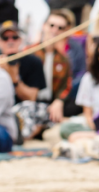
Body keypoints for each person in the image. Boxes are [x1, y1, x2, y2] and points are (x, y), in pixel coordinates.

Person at [14, 10, 73, 140]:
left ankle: (42, 127)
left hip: (50, 104)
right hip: (28, 102)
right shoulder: (29, 52)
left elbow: (66, 86)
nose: (55, 30)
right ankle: (39, 128)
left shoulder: (64, 59)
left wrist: (59, 101)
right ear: (44, 26)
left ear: (64, 31)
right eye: (52, 25)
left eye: (60, 28)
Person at [58, 37, 99, 139]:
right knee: (66, 128)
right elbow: (88, 114)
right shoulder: (89, 79)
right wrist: (95, 127)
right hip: (95, 126)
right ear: (97, 57)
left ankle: (96, 137)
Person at [0, 21, 46, 106]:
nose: (10, 41)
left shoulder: (33, 62)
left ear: (20, 40)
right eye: (5, 38)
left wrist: (14, 78)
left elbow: (31, 98)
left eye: (14, 37)